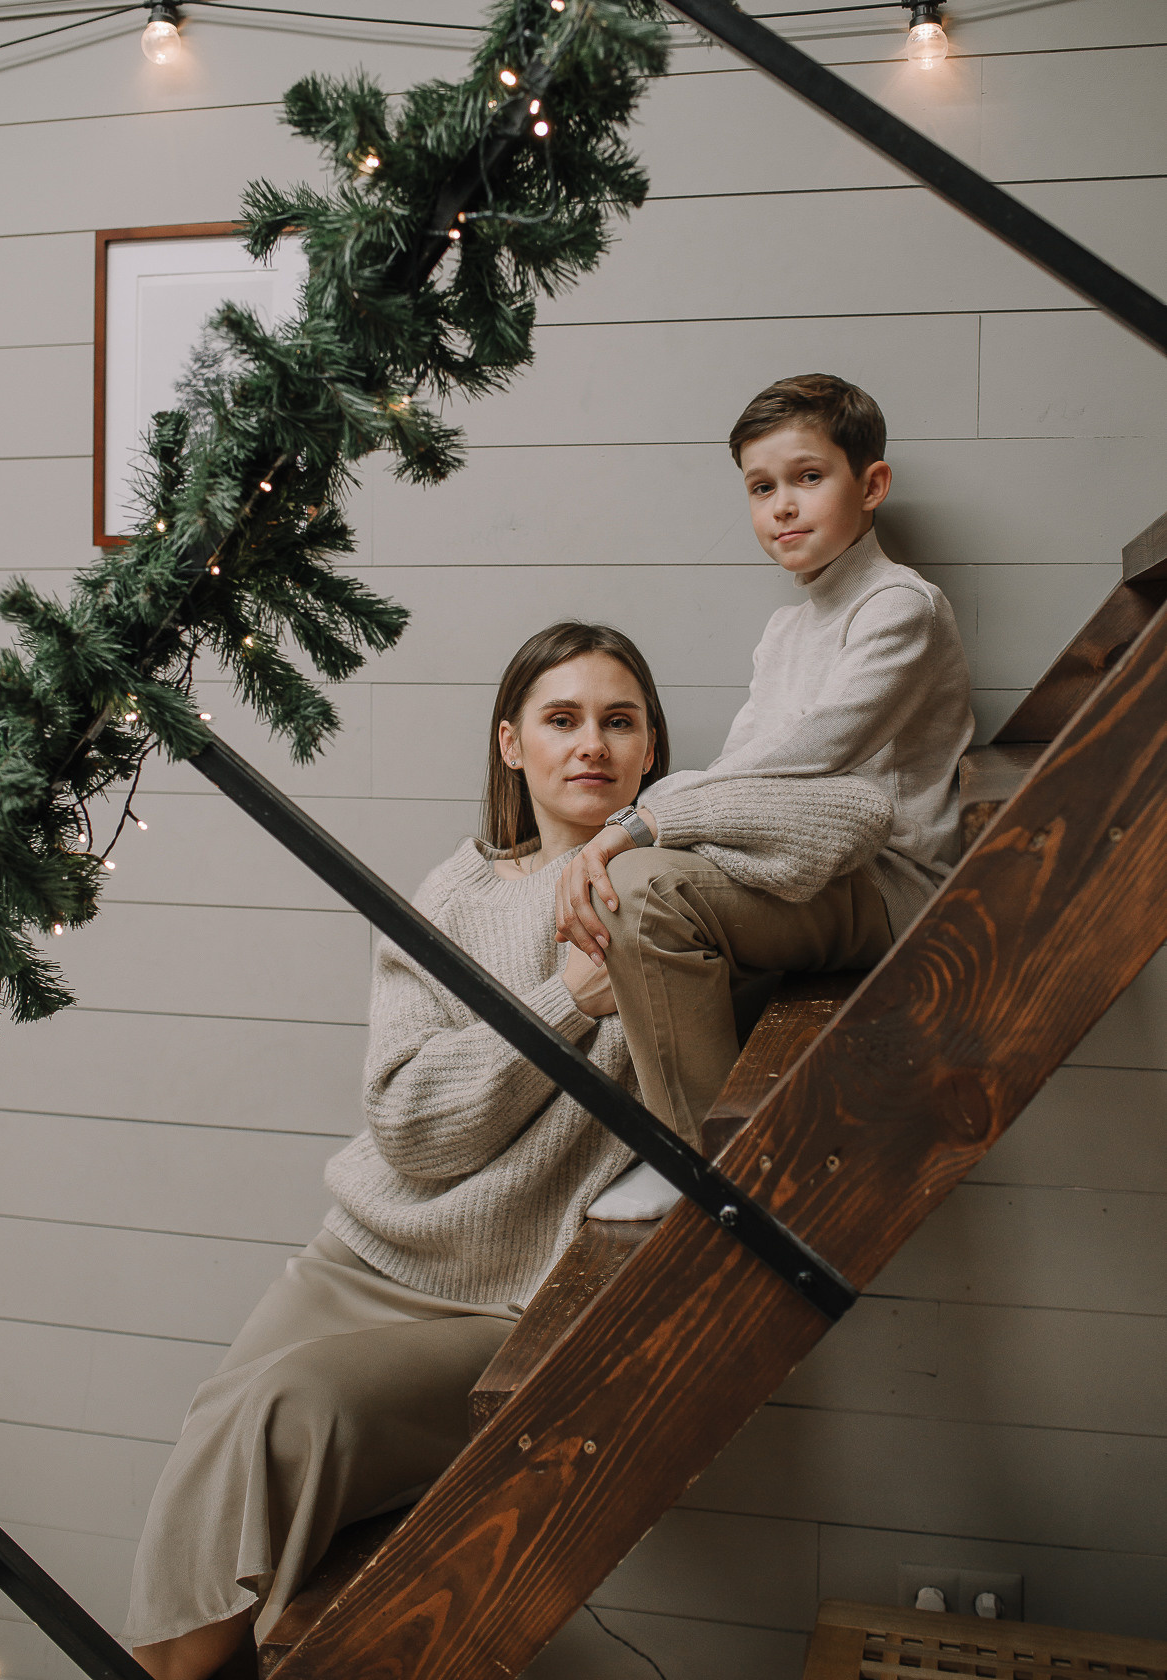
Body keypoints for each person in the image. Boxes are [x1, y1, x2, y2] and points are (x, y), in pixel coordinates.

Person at [126, 621, 675, 1680]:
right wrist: (568, 1001)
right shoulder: (458, 893)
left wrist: (658, 835)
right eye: (560, 720)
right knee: (215, 1426)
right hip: (361, 1260)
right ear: (509, 743)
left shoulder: (670, 889)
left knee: (288, 1413)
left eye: (618, 722)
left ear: (651, 747)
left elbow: (834, 815)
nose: (590, 746)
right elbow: (413, 1129)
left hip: (504, 1302)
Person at [555, 372, 975, 1148]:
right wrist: (644, 826)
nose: (781, 505)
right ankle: (656, 1144)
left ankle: (706, 1173)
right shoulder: (786, 629)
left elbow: (807, 757)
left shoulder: (900, 607)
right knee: (629, 888)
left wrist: (639, 822)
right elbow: (745, 765)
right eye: (760, 488)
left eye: (807, 478)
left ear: (872, 483)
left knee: (645, 891)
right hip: (813, 870)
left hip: (890, 885)